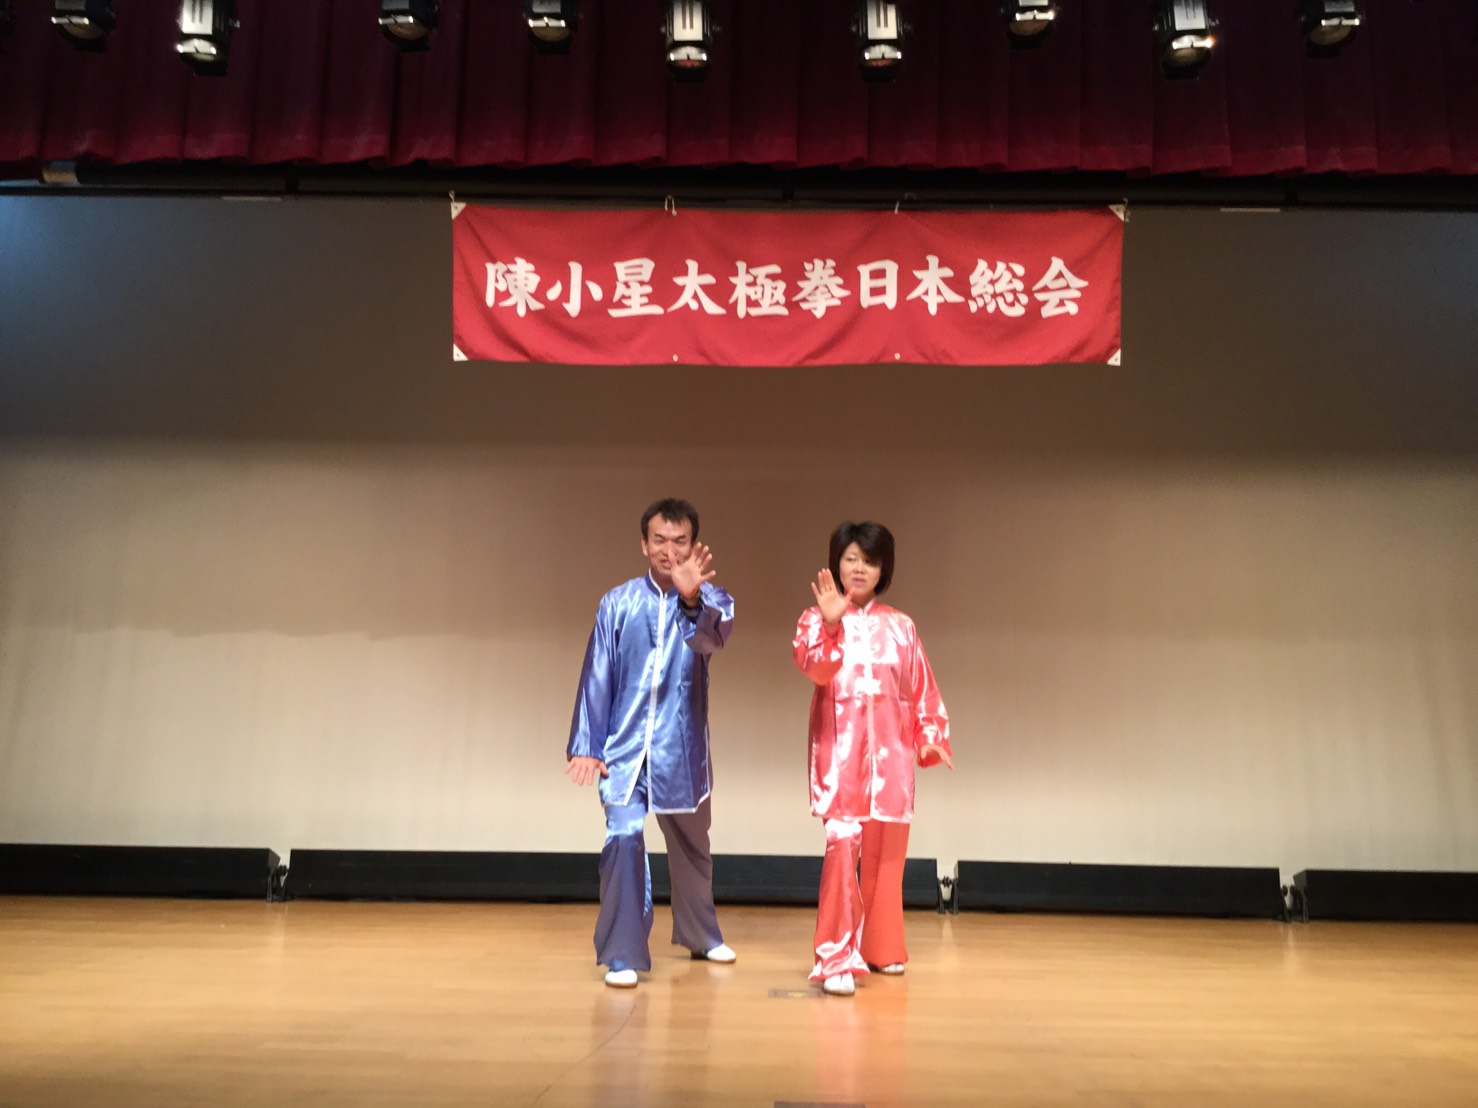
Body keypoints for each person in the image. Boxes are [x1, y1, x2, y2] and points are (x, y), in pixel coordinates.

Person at [566, 498, 737, 988]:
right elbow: (597, 674)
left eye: (679, 541)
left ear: (694, 546)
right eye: (659, 540)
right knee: (622, 837)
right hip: (624, 752)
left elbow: (712, 639)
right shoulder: (617, 603)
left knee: (691, 847)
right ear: (644, 544)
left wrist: (691, 599)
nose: (669, 550)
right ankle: (622, 954)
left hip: (681, 751)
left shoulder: (713, 600)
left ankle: (701, 935)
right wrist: (587, 744)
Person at [792, 520, 952, 997]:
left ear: (884, 570)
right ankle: (835, 957)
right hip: (840, 762)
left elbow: (921, 690)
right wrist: (831, 624)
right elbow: (815, 669)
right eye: (851, 559)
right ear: (836, 564)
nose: (859, 568)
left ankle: (882, 947)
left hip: (892, 762)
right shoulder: (815, 619)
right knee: (843, 847)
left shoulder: (901, 627)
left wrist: (930, 737)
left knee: (886, 859)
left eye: (870, 561)